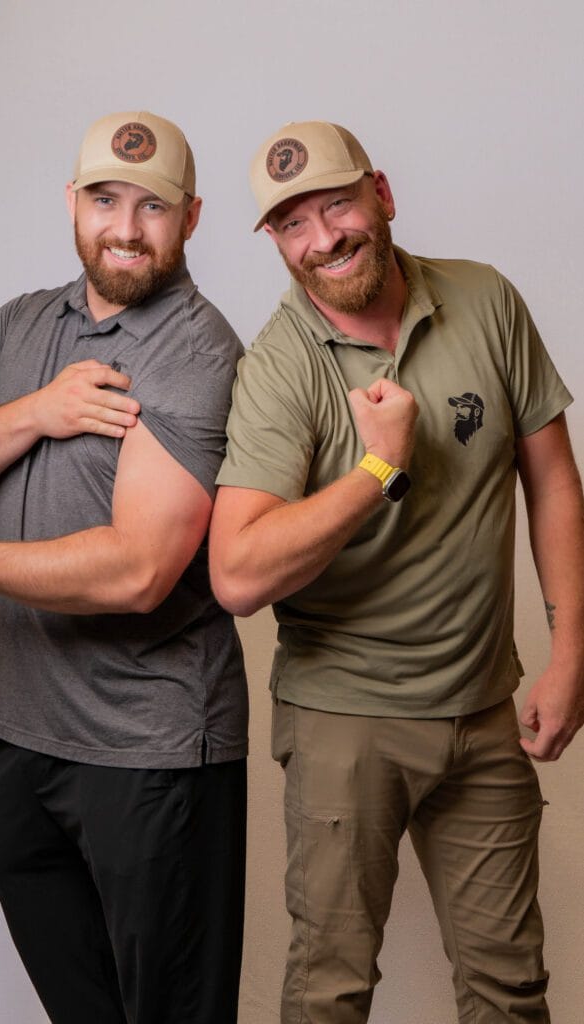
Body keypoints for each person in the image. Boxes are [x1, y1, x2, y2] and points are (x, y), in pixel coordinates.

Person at [209, 119, 584, 1023]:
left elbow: (551, 482)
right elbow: (238, 575)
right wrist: (378, 466)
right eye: (291, 224)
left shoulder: (484, 298)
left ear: (380, 194)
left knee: (509, 990)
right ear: (274, 240)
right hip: (346, 722)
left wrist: (571, 652)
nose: (322, 239)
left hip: (482, 712)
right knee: (330, 994)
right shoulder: (280, 366)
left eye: (337, 205)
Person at [0, 110, 248, 1024]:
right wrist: (36, 410)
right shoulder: (22, 324)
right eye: (104, 200)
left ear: (192, 216)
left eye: (153, 206)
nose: (125, 228)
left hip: (149, 752)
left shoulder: (198, 351)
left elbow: (138, 571)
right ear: (71, 202)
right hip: (21, 739)